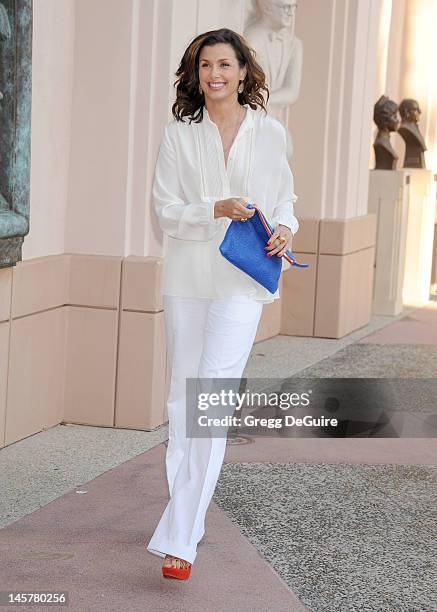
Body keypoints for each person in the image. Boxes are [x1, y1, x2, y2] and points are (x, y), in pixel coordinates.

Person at [146, 27, 300, 580]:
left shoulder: (270, 132)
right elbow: (165, 208)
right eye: (206, 65)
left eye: (225, 65)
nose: (215, 74)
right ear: (196, 74)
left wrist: (285, 227)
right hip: (187, 276)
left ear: (242, 72)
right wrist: (215, 207)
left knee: (207, 401)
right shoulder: (178, 135)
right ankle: (182, 509)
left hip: (242, 281)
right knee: (180, 404)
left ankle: (180, 538)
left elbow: (286, 197)